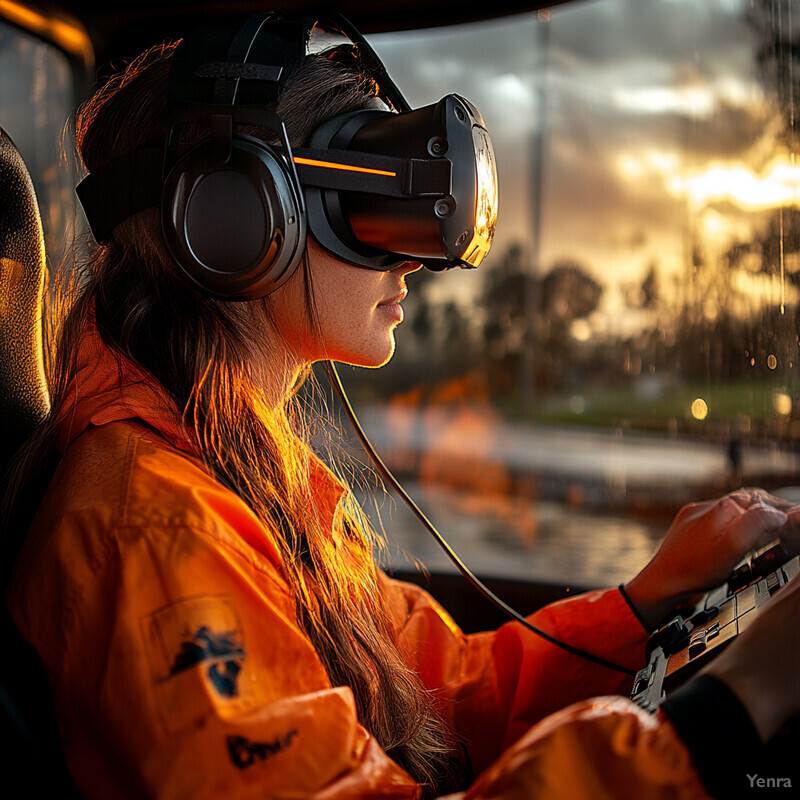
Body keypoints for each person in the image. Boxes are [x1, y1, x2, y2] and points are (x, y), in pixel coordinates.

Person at [3, 14, 800, 800]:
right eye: (368, 207)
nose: (415, 257)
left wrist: (645, 599)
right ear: (238, 217)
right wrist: (741, 702)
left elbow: (444, 690)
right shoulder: (151, 531)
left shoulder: (248, 473)